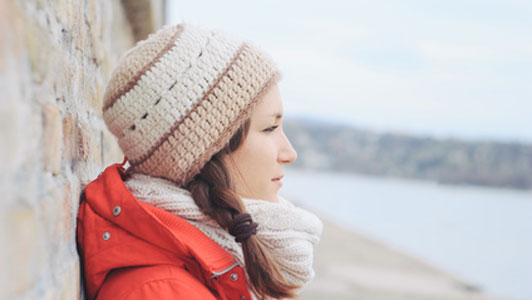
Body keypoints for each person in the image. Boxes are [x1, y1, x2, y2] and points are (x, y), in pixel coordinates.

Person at [76, 22, 323, 300]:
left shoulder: (213, 254)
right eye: (269, 128)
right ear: (206, 153)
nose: (290, 153)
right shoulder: (162, 293)